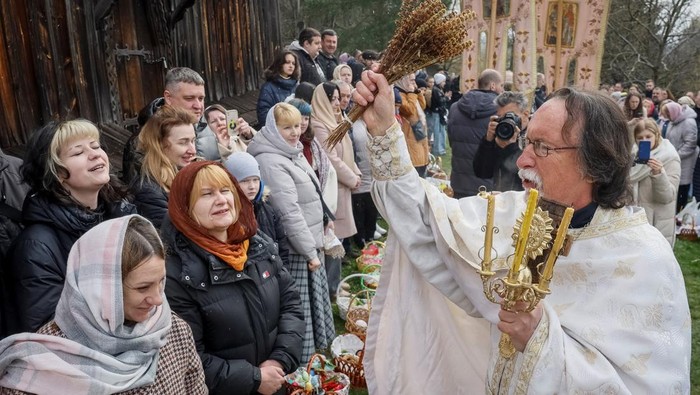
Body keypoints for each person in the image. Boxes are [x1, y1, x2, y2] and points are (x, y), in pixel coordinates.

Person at [351, 70, 690, 393]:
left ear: (594, 160)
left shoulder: (645, 260)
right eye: (527, 141)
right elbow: (427, 223)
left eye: (542, 147)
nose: (522, 160)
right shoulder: (517, 213)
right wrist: (383, 129)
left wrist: (538, 338)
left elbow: (643, 386)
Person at [0, 215, 207, 394]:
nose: (158, 299)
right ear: (100, 290)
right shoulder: (44, 365)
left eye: (161, 281)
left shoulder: (174, 331)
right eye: (143, 288)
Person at [162, 161, 304, 395]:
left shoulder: (258, 244)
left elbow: (291, 305)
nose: (221, 200)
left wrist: (279, 360)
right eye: (207, 194)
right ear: (185, 207)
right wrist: (255, 379)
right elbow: (189, 357)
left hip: (275, 381)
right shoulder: (178, 274)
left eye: (226, 190)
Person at [2, 120, 136, 337]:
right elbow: (50, 332)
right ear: (56, 172)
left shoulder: (123, 215)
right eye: (77, 152)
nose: (95, 154)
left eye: (95, 145)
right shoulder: (36, 247)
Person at [247, 103, 335, 363]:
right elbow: (289, 213)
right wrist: (310, 252)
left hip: (308, 241)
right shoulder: (271, 160)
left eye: (297, 125)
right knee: (301, 310)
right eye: (287, 127)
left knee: (311, 307)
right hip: (299, 249)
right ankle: (302, 363)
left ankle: (314, 360)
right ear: (274, 129)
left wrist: (324, 218)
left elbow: (312, 194)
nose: (296, 132)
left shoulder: (289, 152)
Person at [310, 82, 359, 296]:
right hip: (333, 187)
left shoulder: (337, 121)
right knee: (333, 235)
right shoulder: (319, 125)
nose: (338, 103)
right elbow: (331, 158)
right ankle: (331, 286)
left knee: (338, 234)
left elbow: (348, 150)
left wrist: (355, 172)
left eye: (339, 98)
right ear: (322, 100)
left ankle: (335, 281)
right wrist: (351, 178)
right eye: (333, 99)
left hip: (343, 185)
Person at [130, 105, 196, 229]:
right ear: (159, 145)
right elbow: (172, 239)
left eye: (193, 141)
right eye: (183, 142)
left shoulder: (192, 173)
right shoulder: (148, 190)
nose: (192, 150)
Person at [224, 151, 290, 266]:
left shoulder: (269, 211)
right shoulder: (227, 215)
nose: (252, 186)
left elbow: (282, 250)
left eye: (255, 180)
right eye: (244, 181)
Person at [448, 69, 502, 198]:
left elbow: (451, 140)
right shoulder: (500, 111)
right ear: (493, 86)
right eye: (502, 85)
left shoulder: (455, 107)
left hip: (459, 179)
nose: (502, 90)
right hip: (487, 181)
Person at [628, 119, 680, 245]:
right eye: (640, 137)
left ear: (656, 135)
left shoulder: (670, 157)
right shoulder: (633, 154)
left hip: (656, 222)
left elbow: (667, 197)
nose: (644, 140)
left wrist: (658, 174)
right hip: (634, 220)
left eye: (648, 136)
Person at [473, 91, 529, 192]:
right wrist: (488, 141)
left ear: (525, 114)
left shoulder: (533, 137)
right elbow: (482, 173)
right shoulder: (500, 135)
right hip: (500, 197)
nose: (507, 120)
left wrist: (511, 148)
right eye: (501, 117)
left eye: (511, 116)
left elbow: (527, 175)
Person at [664, 101, 699, 212]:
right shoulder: (673, 121)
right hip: (672, 159)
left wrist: (675, 155)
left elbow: (690, 144)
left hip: (685, 161)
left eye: (668, 114)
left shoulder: (689, 122)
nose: (668, 117)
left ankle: (681, 213)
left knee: (682, 189)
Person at [395, 73, 430, 177]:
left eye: (414, 80)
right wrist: (411, 93)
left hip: (419, 134)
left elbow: (422, 105)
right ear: (403, 81)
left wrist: (417, 92)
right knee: (416, 165)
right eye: (411, 80)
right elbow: (409, 110)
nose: (414, 83)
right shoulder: (399, 95)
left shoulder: (410, 94)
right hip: (410, 136)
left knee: (422, 162)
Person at [257, 50, 300, 127]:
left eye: (293, 63)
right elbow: (263, 114)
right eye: (287, 62)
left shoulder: (296, 85)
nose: (291, 66)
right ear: (280, 64)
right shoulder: (268, 87)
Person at [428, 73, 450, 157]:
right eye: (443, 81)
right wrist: (446, 97)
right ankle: (437, 150)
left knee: (441, 131)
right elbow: (440, 101)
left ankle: (440, 149)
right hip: (436, 113)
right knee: (437, 132)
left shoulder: (438, 90)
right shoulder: (436, 90)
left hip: (439, 113)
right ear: (439, 81)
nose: (444, 83)